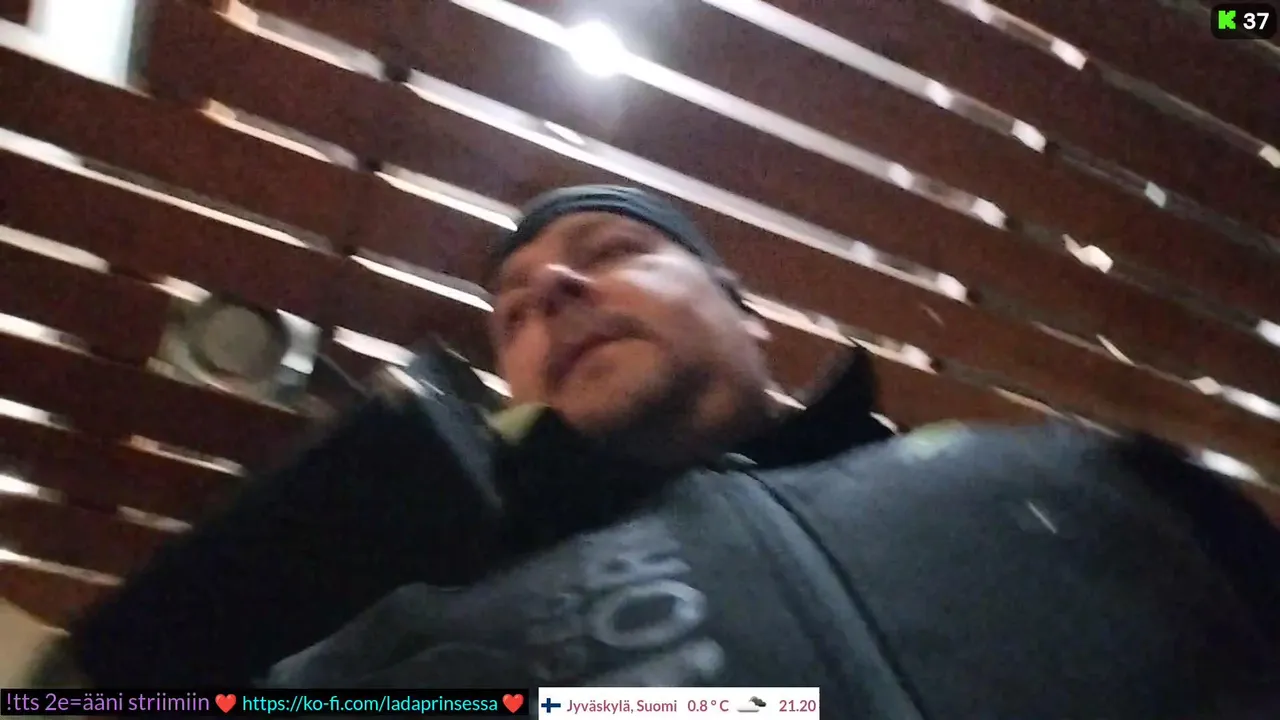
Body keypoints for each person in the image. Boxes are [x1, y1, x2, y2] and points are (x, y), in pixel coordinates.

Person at [18, 186, 1280, 718]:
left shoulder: (1049, 472)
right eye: (513, 311)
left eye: (611, 252)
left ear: (745, 311)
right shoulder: (423, 634)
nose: (552, 292)